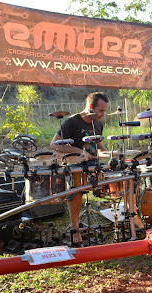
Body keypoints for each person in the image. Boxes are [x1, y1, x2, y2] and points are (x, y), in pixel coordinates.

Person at [50, 92, 109, 245]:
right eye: (101, 111)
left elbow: (99, 146)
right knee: (76, 187)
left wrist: (109, 153)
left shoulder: (98, 123)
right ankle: (75, 228)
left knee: (123, 173)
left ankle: (129, 217)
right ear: (90, 107)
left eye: (105, 111)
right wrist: (78, 151)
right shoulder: (72, 122)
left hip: (93, 164)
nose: (103, 114)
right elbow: (53, 144)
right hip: (75, 164)